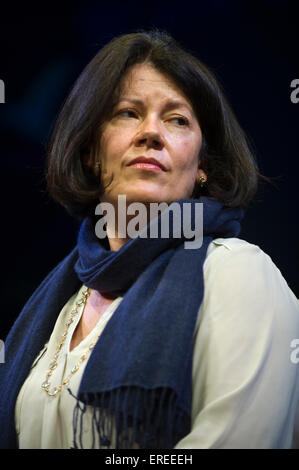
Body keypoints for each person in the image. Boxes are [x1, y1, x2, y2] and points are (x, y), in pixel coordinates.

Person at [1, 29, 299, 450]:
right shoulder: (62, 299)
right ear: (90, 150)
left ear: (202, 166)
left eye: (177, 119)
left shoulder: (237, 272)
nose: (151, 133)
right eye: (128, 113)